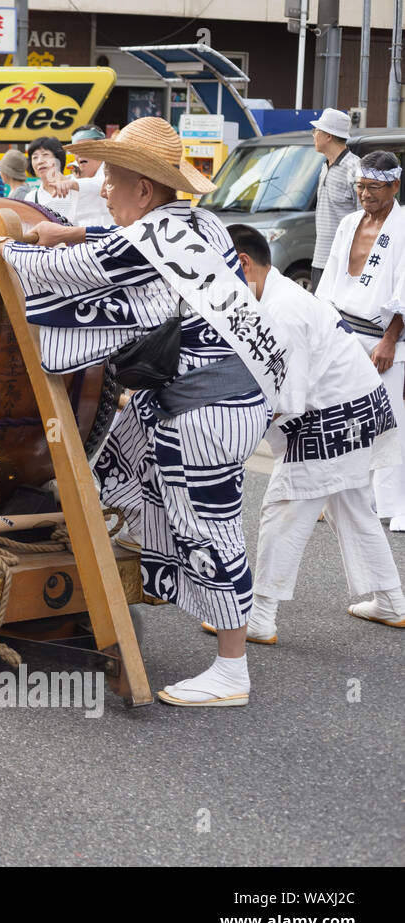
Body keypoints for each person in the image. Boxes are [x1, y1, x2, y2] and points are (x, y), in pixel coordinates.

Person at [0, 117, 293, 708]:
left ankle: (231, 668)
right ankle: (90, 549)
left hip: (206, 409)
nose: (102, 187)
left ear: (144, 188)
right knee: (113, 456)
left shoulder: (149, 240)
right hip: (222, 398)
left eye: (111, 178)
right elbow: (112, 247)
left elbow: (74, 272)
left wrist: (0, 247)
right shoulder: (198, 224)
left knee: (209, 526)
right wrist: (71, 233)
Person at [219, 224, 405, 640]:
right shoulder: (278, 293)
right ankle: (392, 602)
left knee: (284, 506)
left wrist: (228, 437)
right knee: (353, 509)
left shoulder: (283, 311)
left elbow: (284, 399)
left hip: (332, 418)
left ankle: (260, 615)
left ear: (243, 263)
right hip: (359, 406)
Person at [315, 150, 405, 532]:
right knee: (345, 417)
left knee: (392, 423)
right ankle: (348, 496)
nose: (365, 194)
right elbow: (330, 280)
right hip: (345, 331)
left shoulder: (403, 227)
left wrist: (389, 338)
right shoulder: (349, 223)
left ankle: (394, 503)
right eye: (360, 186)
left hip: (386, 339)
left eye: (373, 187)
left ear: (395, 186)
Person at [310, 108, 361, 289]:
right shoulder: (324, 166)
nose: (313, 135)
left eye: (316, 131)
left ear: (329, 136)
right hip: (320, 257)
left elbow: (363, 217)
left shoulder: (355, 167)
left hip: (343, 261)